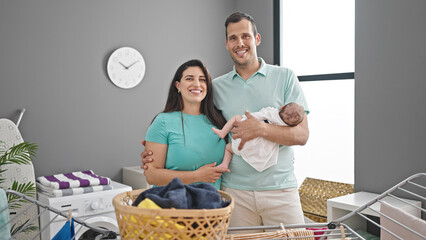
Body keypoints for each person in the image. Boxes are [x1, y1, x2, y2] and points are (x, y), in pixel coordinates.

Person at [142, 12, 309, 228]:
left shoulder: (285, 77)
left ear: (257, 39)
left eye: (245, 36)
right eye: (233, 38)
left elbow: (302, 135)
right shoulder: (216, 88)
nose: (240, 43)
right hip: (234, 193)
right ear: (227, 44)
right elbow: (191, 126)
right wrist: (153, 152)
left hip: (281, 190)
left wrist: (261, 130)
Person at [142, 59, 229, 190]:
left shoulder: (220, 122)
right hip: (174, 206)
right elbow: (152, 175)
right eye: (189, 79)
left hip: (212, 206)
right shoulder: (163, 122)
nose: (197, 84)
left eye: (202, 79)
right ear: (178, 86)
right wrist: (197, 176)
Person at [212, 102, 305, 172]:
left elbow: (259, 115)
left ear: (282, 107)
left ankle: (223, 133)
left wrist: (245, 119)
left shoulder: (271, 112)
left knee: (236, 119)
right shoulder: (285, 129)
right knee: (229, 148)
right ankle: (224, 165)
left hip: (244, 141)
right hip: (258, 151)